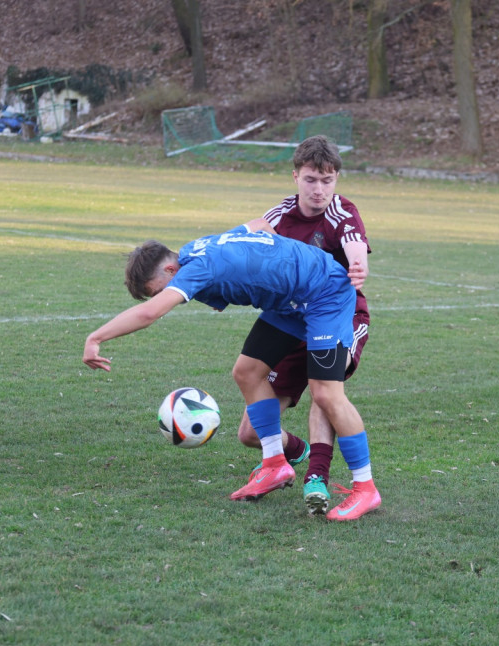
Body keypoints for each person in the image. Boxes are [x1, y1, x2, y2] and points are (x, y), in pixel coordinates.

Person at [82, 220, 381, 521]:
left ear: (171, 271)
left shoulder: (197, 268)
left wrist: (96, 337)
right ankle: (275, 463)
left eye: (162, 290)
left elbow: (149, 313)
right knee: (247, 371)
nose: (167, 295)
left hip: (325, 292)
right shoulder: (193, 250)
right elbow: (259, 225)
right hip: (289, 301)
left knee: (326, 394)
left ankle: (365, 488)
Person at [236, 135, 371, 516]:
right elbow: (245, 233)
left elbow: (355, 243)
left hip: (342, 318)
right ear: (295, 176)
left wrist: (358, 264)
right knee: (250, 433)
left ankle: (319, 478)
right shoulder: (282, 214)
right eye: (311, 179)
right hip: (294, 319)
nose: (319, 189)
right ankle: (288, 458)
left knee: (323, 390)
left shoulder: (343, 214)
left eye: (327, 180)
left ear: (337, 180)